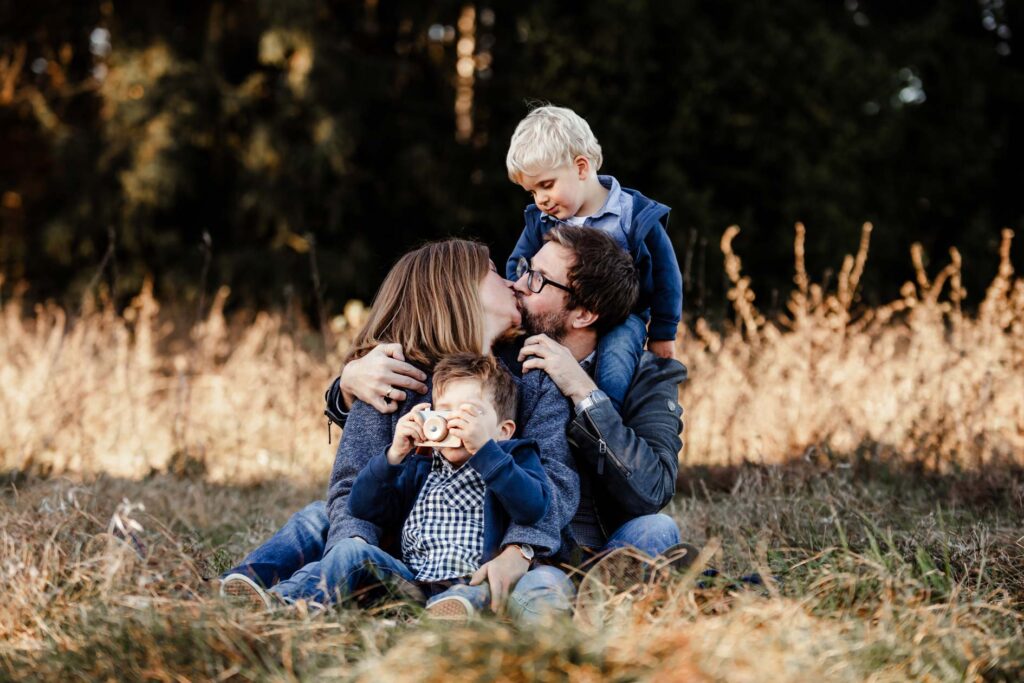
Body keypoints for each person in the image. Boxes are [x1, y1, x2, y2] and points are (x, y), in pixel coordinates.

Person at [340, 227, 688, 621]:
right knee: (323, 519)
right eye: (524, 269)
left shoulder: (647, 377)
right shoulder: (506, 358)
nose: (517, 284)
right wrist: (346, 383)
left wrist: (581, 390)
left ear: (584, 313)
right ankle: (579, 603)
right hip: (511, 544)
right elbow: (431, 373)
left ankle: (598, 601)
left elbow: (652, 489)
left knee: (656, 530)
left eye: (537, 280)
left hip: (591, 547)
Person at [219, 240, 576, 616]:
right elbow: (349, 487)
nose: (510, 281)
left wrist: (518, 551)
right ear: (455, 289)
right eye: (492, 270)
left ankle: (454, 610)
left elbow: (555, 483)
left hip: (488, 556)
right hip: (404, 555)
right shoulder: (390, 377)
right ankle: (250, 590)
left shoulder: (532, 377)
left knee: (539, 587)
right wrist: (354, 552)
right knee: (318, 518)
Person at [276, 353, 549, 619]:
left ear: (504, 430)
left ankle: (445, 617)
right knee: (350, 549)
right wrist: (393, 456)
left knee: (477, 595)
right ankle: (287, 600)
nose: (454, 422)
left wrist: (486, 452)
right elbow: (362, 507)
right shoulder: (421, 465)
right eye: (444, 412)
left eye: (469, 413)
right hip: (410, 582)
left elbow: (532, 507)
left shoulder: (514, 459)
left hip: (471, 582)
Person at [505, 105, 684, 413]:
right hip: (562, 316)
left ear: (582, 167)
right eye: (532, 192)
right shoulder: (542, 221)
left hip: (622, 317)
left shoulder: (633, 216)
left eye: (547, 185)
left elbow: (667, 277)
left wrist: (662, 332)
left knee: (616, 361)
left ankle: (603, 419)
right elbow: (517, 263)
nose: (541, 199)